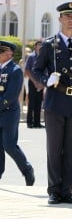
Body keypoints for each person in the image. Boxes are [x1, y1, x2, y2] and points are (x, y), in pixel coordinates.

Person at [33, 2, 72, 205]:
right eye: (67, 16)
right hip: (55, 101)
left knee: (71, 149)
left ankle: (67, 190)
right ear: (60, 19)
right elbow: (36, 69)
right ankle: (54, 190)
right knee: (54, 148)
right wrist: (45, 81)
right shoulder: (49, 45)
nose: (71, 19)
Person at [0, 40, 35, 185]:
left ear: (10, 53)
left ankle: (27, 169)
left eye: (2, 51)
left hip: (8, 113)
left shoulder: (15, 71)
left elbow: (11, 95)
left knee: (9, 145)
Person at [25, 40, 44, 128]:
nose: (41, 46)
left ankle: (37, 122)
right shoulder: (31, 57)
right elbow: (27, 71)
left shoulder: (43, 57)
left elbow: (46, 71)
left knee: (39, 103)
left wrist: (42, 83)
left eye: (42, 45)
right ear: (35, 46)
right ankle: (29, 122)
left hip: (41, 83)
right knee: (31, 102)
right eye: (39, 45)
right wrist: (35, 82)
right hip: (33, 82)